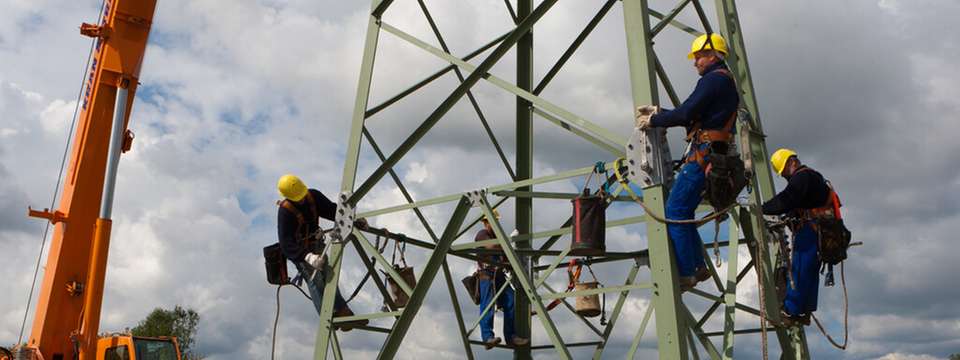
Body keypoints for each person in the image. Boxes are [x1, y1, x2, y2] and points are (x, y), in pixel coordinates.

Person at [635, 33, 740, 289]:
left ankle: (686, 272)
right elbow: (692, 115)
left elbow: (687, 113)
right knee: (684, 211)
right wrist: (661, 114)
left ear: (713, 55)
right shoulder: (723, 81)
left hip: (703, 156)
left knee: (675, 211)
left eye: (699, 57)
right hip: (712, 154)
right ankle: (697, 267)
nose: (695, 63)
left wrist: (656, 120)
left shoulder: (713, 80)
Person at [276, 174, 367, 330]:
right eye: (297, 198)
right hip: (300, 251)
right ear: (288, 197)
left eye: (302, 196)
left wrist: (356, 222)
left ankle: (343, 312)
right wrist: (308, 257)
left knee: (329, 275)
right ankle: (329, 317)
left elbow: (334, 212)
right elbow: (286, 243)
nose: (301, 200)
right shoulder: (286, 211)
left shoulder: (313, 196)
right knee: (315, 280)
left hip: (316, 243)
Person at [762, 149, 832, 326]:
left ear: (792, 162)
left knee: (799, 269)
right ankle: (805, 311)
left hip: (811, 230)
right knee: (809, 271)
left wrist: (763, 208)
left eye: (784, 172)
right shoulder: (814, 177)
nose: (786, 177)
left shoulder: (802, 177)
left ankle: (790, 310)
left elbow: (787, 199)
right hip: (822, 231)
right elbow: (800, 202)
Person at [474, 209, 529, 349]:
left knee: (511, 301)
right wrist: (506, 244)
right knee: (487, 305)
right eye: (492, 221)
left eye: (496, 221)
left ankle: (511, 337)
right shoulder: (483, 234)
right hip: (486, 276)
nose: (495, 224)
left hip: (498, 276)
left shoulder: (497, 237)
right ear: (486, 223)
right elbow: (491, 246)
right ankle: (487, 337)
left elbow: (505, 258)